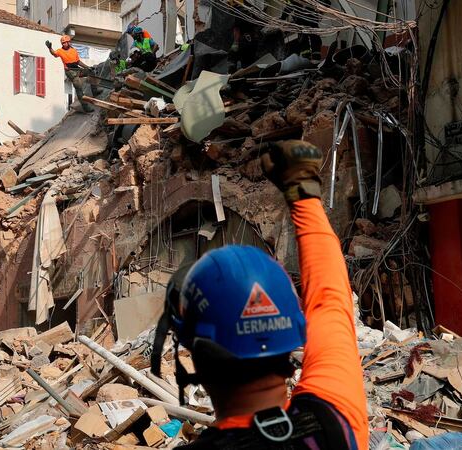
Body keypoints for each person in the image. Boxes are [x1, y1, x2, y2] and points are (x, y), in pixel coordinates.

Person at [151, 140, 368, 449]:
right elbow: (330, 300)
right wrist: (302, 192)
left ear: (198, 357)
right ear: (292, 332)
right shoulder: (335, 422)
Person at [46, 35, 100, 112]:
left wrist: (87, 67)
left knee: (91, 72)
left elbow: (78, 61)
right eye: (63, 43)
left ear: (68, 42)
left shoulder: (73, 50)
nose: (64, 44)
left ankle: (95, 91)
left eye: (65, 43)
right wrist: (50, 48)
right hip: (70, 71)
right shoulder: (60, 51)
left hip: (77, 69)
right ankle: (85, 107)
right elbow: (54, 54)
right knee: (78, 84)